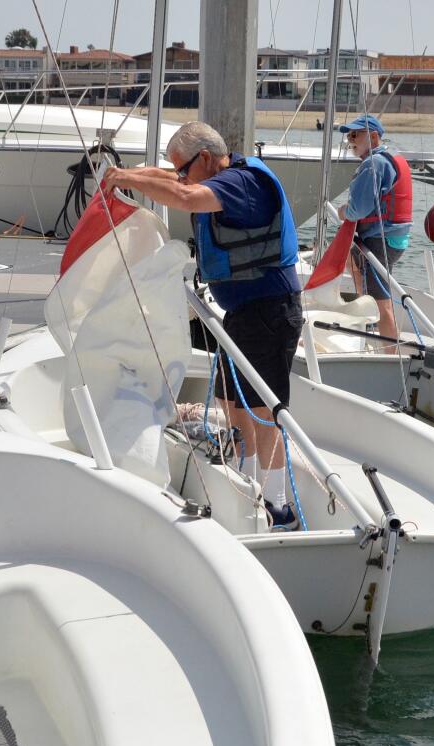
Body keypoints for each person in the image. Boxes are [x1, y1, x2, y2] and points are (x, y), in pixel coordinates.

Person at [101, 120, 303, 529]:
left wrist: (126, 178)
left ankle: (279, 507)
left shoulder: (242, 183)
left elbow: (182, 194)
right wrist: (124, 177)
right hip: (245, 314)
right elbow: (171, 179)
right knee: (233, 403)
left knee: (264, 410)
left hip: (270, 309)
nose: (178, 176)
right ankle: (246, 482)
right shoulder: (219, 177)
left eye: (184, 168)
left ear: (206, 159)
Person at [336, 114, 412, 344]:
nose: (351, 139)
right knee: (351, 260)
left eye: (355, 134)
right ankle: (365, 307)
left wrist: (343, 212)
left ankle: (390, 354)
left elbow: (358, 209)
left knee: (382, 303)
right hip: (393, 237)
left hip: (380, 240)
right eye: (349, 135)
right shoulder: (389, 159)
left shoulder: (373, 164)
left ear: (374, 137)